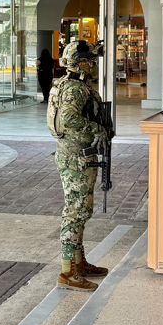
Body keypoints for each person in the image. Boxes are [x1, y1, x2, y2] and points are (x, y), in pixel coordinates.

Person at [47, 40, 109, 292]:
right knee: (74, 212)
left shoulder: (71, 84)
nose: (94, 66)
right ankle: (67, 271)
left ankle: (78, 262)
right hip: (76, 159)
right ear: (81, 63)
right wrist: (97, 128)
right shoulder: (74, 88)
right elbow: (70, 118)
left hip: (78, 156)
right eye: (91, 61)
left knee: (82, 210)